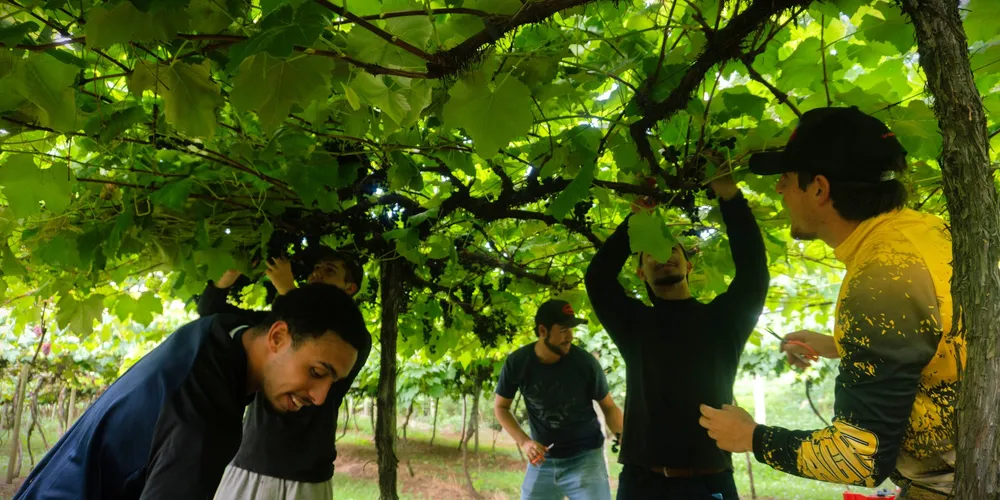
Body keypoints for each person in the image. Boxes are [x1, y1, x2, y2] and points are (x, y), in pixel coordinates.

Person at [698, 106, 963, 500]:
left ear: (819, 189)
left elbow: (860, 459)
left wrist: (751, 436)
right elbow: (945, 333)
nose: (779, 191)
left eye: (786, 180)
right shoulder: (927, 230)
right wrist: (841, 344)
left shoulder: (881, 280)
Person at [14, 284, 368, 500]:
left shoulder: (222, 334)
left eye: (332, 383)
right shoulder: (203, 425)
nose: (320, 397)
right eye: (317, 372)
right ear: (276, 337)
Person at [585, 167, 769, 499]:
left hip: (709, 482)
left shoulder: (724, 320)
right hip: (642, 484)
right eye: (650, 252)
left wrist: (729, 195)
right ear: (640, 271)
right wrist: (636, 222)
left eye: (671, 249)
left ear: (689, 265)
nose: (662, 255)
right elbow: (598, 279)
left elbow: (754, 270)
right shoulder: (633, 324)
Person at [199, 246, 372, 500]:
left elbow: (308, 322)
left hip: (305, 477)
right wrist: (233, 270)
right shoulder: (275, 324)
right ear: (276, 336)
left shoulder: (354, 343)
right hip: (248, 462)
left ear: (349, 288)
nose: (316, 274)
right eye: (316, 269)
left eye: (329, 271)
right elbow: (210, 309)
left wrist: (287, 288)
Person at [493, 299, 624, 500]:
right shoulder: (518, 363)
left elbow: (609, 407)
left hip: (585, 458)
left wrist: (625, 439)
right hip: (543, 461)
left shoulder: (585, 363)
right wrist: (525, 442)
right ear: (543, 331)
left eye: (571, 329)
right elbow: (501, 408)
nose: (570, 336)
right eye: (563, 329)